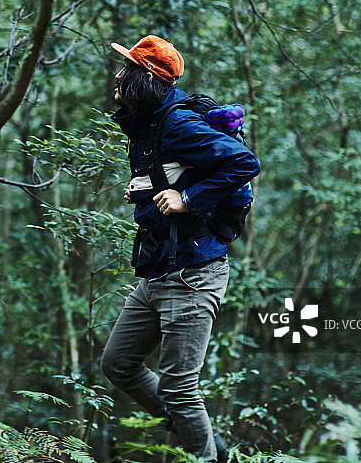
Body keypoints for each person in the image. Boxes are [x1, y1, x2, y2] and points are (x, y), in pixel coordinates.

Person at [100, 35, 260, 462]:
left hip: (192, 274)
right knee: (118, 363)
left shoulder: (177, 124)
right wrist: (145, 192)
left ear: (145, 79)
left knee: (179, 387)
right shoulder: (148, 124)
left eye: (127, 69)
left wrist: (188, 200)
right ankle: (206, 442)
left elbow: (244, 162)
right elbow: (171, 173)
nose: (118, 76)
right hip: (159, 268)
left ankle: (205, 455)